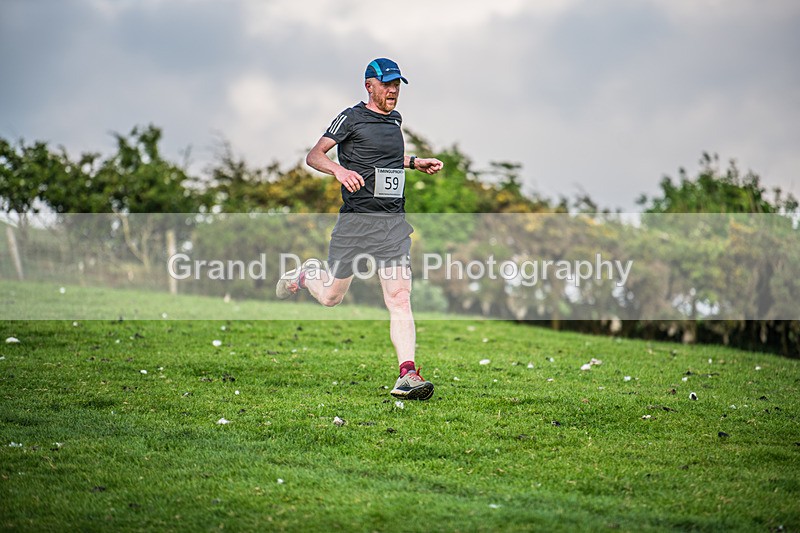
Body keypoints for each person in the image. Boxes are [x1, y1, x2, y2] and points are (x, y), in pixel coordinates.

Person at [276, 58, 444, 400]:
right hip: (355, 223)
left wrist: (414, 162)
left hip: (392, 223)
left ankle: (407, 374)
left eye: (397, 84)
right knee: (331, 298)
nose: (394, 90)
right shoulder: (350, 117)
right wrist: (339, 171)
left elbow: (383, 160)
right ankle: (310, 274)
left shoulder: (395, 120)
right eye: (387, 84)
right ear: (370, 85)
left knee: (399, 297)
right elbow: (315, 155)